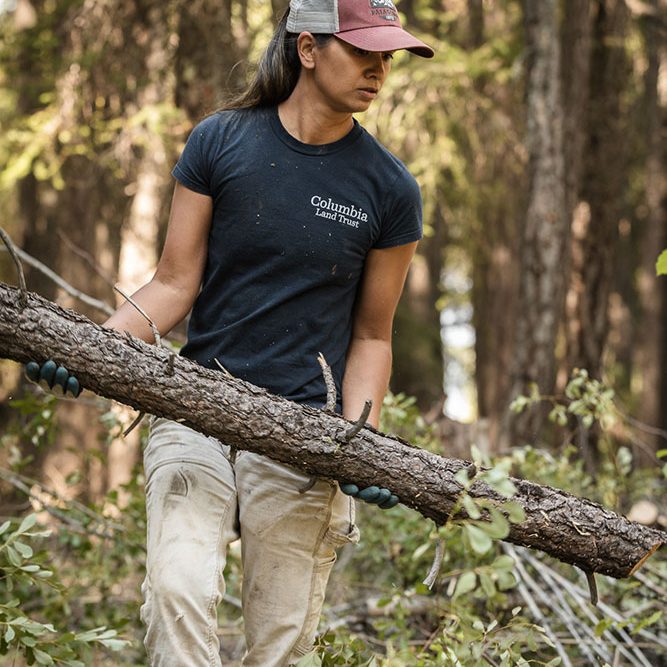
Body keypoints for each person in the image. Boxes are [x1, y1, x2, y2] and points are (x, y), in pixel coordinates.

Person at [26, 0, 434, 664]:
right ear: (307, 48)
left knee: (281, 641)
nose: (377, 69)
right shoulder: (221, 141)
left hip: (305, 434)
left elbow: (372, 337)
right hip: (196, 412)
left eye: (386, 56)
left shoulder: (388, 188)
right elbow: (172, 281)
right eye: (362, 51)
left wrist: (362, 441)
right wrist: (89, 350)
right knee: (178, 588)